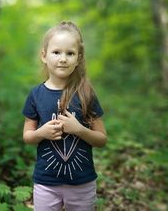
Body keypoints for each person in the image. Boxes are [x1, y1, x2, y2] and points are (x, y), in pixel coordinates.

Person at [22, 21, 107, 211]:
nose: (63, 59)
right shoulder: (36, 95)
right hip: (46, 183)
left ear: (78, 58)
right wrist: (41, 133)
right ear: (44, 56)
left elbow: (101, 139)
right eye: (56, 52)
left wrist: (79, 130)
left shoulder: (86, 93)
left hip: (82, 184)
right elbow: (27, 136)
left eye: (70, 53)